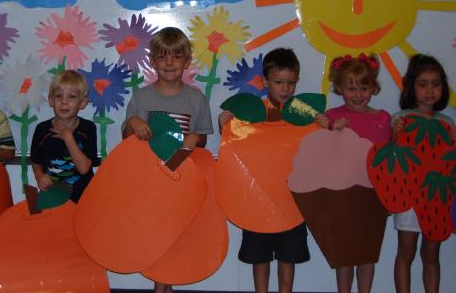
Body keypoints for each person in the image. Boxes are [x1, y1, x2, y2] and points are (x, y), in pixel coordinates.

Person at [123, 26, 213, 293]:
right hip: (150, 181)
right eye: (162, 56)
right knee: (156, 235)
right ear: (153, 61)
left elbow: (203, 139)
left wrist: (195, 138)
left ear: (187, 61)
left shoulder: (196, 98)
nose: (169, 62)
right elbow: (127, 140)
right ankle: (162, 286)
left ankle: (164, 286)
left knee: (175, 235)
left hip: (181, 179)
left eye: (176, 56)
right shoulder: (142, 97)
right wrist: (134, 122)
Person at [218, 47, 309, 293]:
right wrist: (225, 126)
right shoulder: (252, 112)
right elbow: (238, 144)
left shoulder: (303, 113)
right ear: (265, 81)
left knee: (288, 257)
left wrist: (324, 125)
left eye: (291, 82)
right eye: (279, 82)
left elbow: (316, 146)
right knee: (260, 257)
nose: (285, 88)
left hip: (291, 201)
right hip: (257, 200)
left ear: (297, 80)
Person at [315, 54, 391, 293]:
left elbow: (388, 160)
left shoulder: (383, 118)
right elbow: (324, 156)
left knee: (368, 253)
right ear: (339, 88)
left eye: (363, 88)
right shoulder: (333, 117)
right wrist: (332, 131)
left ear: (373, 87)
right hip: (342, 195)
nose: (358, 94)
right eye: (351, 88)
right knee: (345, 253)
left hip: (373, 196)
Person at [391, 54, 453, 293]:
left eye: (436, 84)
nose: (430, 90)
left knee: (432, 253)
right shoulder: (401, 119)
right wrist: (395, 136)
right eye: (422, 84)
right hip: (409, 198)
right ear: (411, 87)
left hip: (437, 196)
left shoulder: (447, 123)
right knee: (406, 252)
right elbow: (392, 160)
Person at [31, 70, 99, 203]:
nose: (64, 102)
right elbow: (36, 161)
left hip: (83, 199)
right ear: (51, 100)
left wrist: (68, 137)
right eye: (58, 96)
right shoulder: (42, 129)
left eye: (72, 96)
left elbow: (84, 168)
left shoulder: (88, 128)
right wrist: (39, 176)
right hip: (53, 198)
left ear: (83, 102)